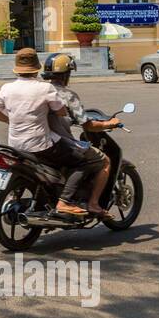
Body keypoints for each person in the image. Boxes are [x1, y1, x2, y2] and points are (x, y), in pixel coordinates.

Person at [0, 48, 103, 217]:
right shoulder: (45, 88)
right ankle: (64, 202)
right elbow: (61, 112)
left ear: (17, 68)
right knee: (83, 160)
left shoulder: (7, 88)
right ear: (36, 68)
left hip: (15, 145)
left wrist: (12, 120)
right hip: (41, 145)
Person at [40, 53, 120, 216]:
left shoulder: (39, 91)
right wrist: (109, 123)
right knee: (102, 160)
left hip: (38, 140)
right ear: (66, 74)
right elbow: (88, 125)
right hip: (59, 143)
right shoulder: (68, 95)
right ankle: (92, 204)